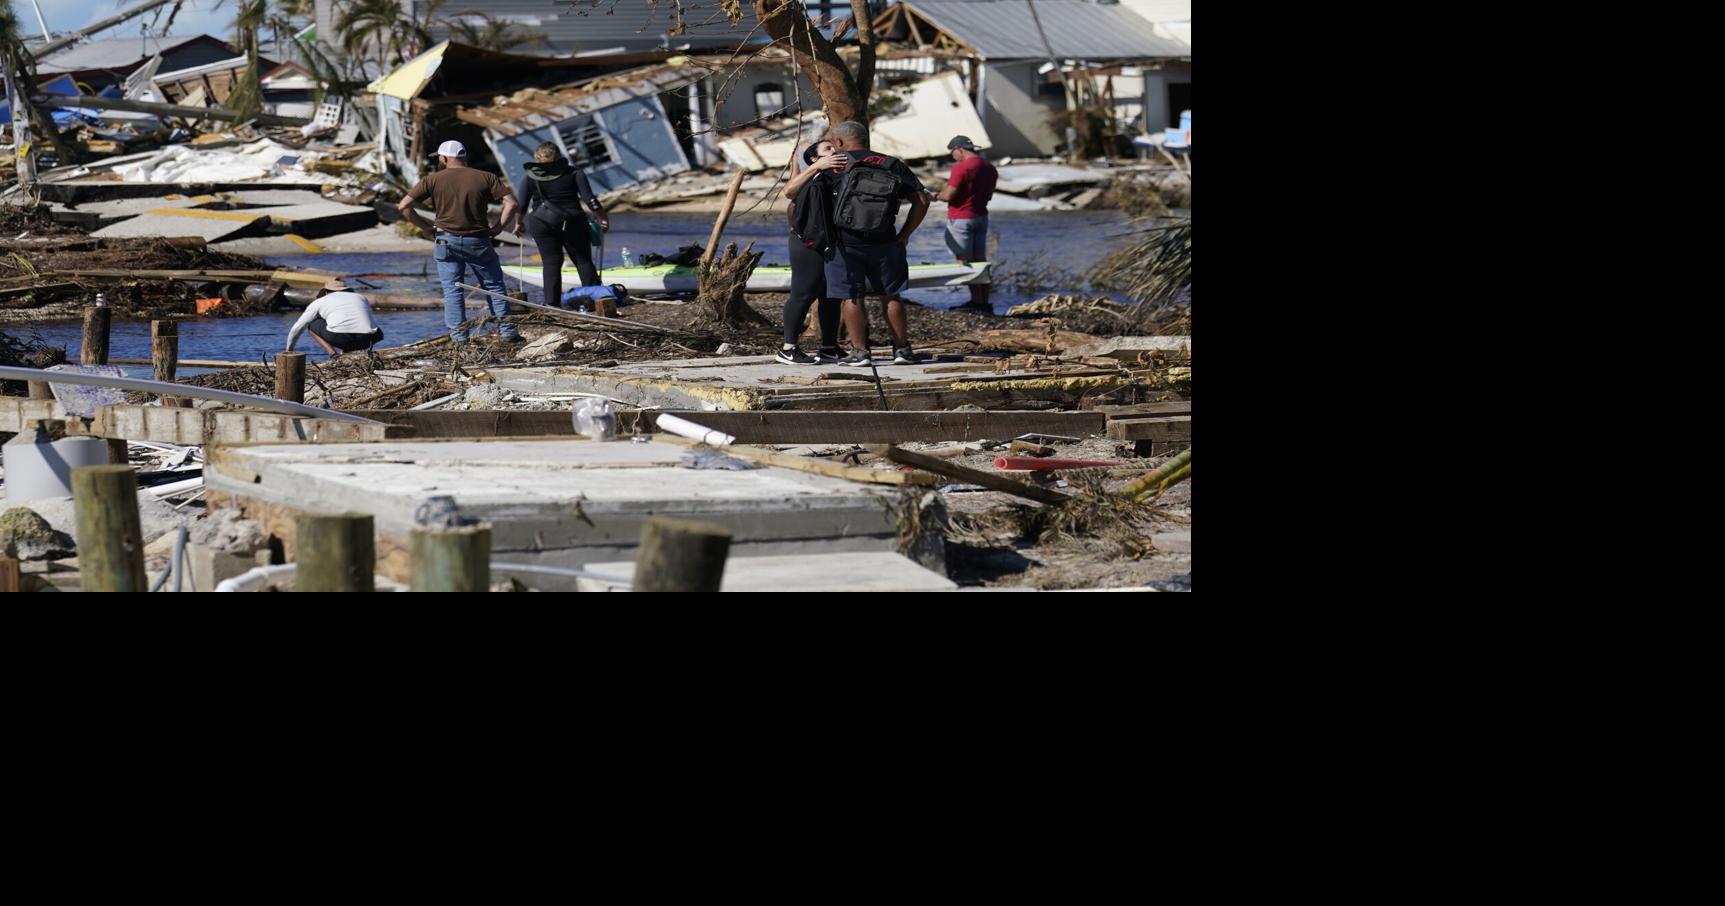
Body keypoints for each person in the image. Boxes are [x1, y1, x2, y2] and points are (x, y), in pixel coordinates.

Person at [822, 120, 929, 366]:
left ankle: (860, 352)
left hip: (844, 243)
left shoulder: (834, 166)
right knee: (891, 295)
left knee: (851, 297)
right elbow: (922, 201)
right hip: (886, 241)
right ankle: (902, 350)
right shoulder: (891, 164)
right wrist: (905, 234)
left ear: (839, 142)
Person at [397, 140, 521, 345]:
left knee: (453, 291)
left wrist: (426, 227)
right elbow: (512, 203)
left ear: (444, 158)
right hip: (479, 240)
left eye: (439, 158)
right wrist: (498, 227)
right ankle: (507, 332)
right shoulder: (486, 177)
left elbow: (404, 206)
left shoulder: (432, 179)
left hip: (446, 241)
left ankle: (459, 338)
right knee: (494, 287)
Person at [511, 141, 609, 311]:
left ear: (537, 158)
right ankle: (595, 300)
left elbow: (521, 206)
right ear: (559, 155)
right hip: (572, 221)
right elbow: (589, 199)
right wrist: (602, 218)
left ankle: (552, 304)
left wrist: (518, 223)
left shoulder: (530, 177)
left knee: (551, 263)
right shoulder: (574, 172)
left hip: (541, 222)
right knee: (582, 260)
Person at [778, 138, 846, 365]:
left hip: (831, 242)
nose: (834, 151)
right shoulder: (811, 176)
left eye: (835, 147)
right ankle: (788, 348)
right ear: (815, 158)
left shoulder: (838, 175)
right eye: (828, 149)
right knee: (803, 294)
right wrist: (816, 166)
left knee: (831, 296)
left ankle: (829, 348)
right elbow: (789, 191)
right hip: (806, 243)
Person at [937, 135, 998, 311]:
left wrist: (936, 195)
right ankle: (984, 302)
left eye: (952, 152)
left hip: (961, 218)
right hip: (981, 216)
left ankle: (976, 303)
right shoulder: (989, 167)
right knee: (980, 261)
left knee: (965, 261)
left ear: (959, 149)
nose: (952, 156)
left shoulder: (961, 167)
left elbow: (948, 195)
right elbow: (989, 196)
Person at [286, 279, 382, 357]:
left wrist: (289, 349)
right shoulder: (361, 297)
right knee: (351, 327)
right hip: (370, 338)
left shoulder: (320, 301)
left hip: (342, 338)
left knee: (312, 324)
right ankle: (347, 353)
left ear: (326, 292)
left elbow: (298, 327)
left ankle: (333, 355)